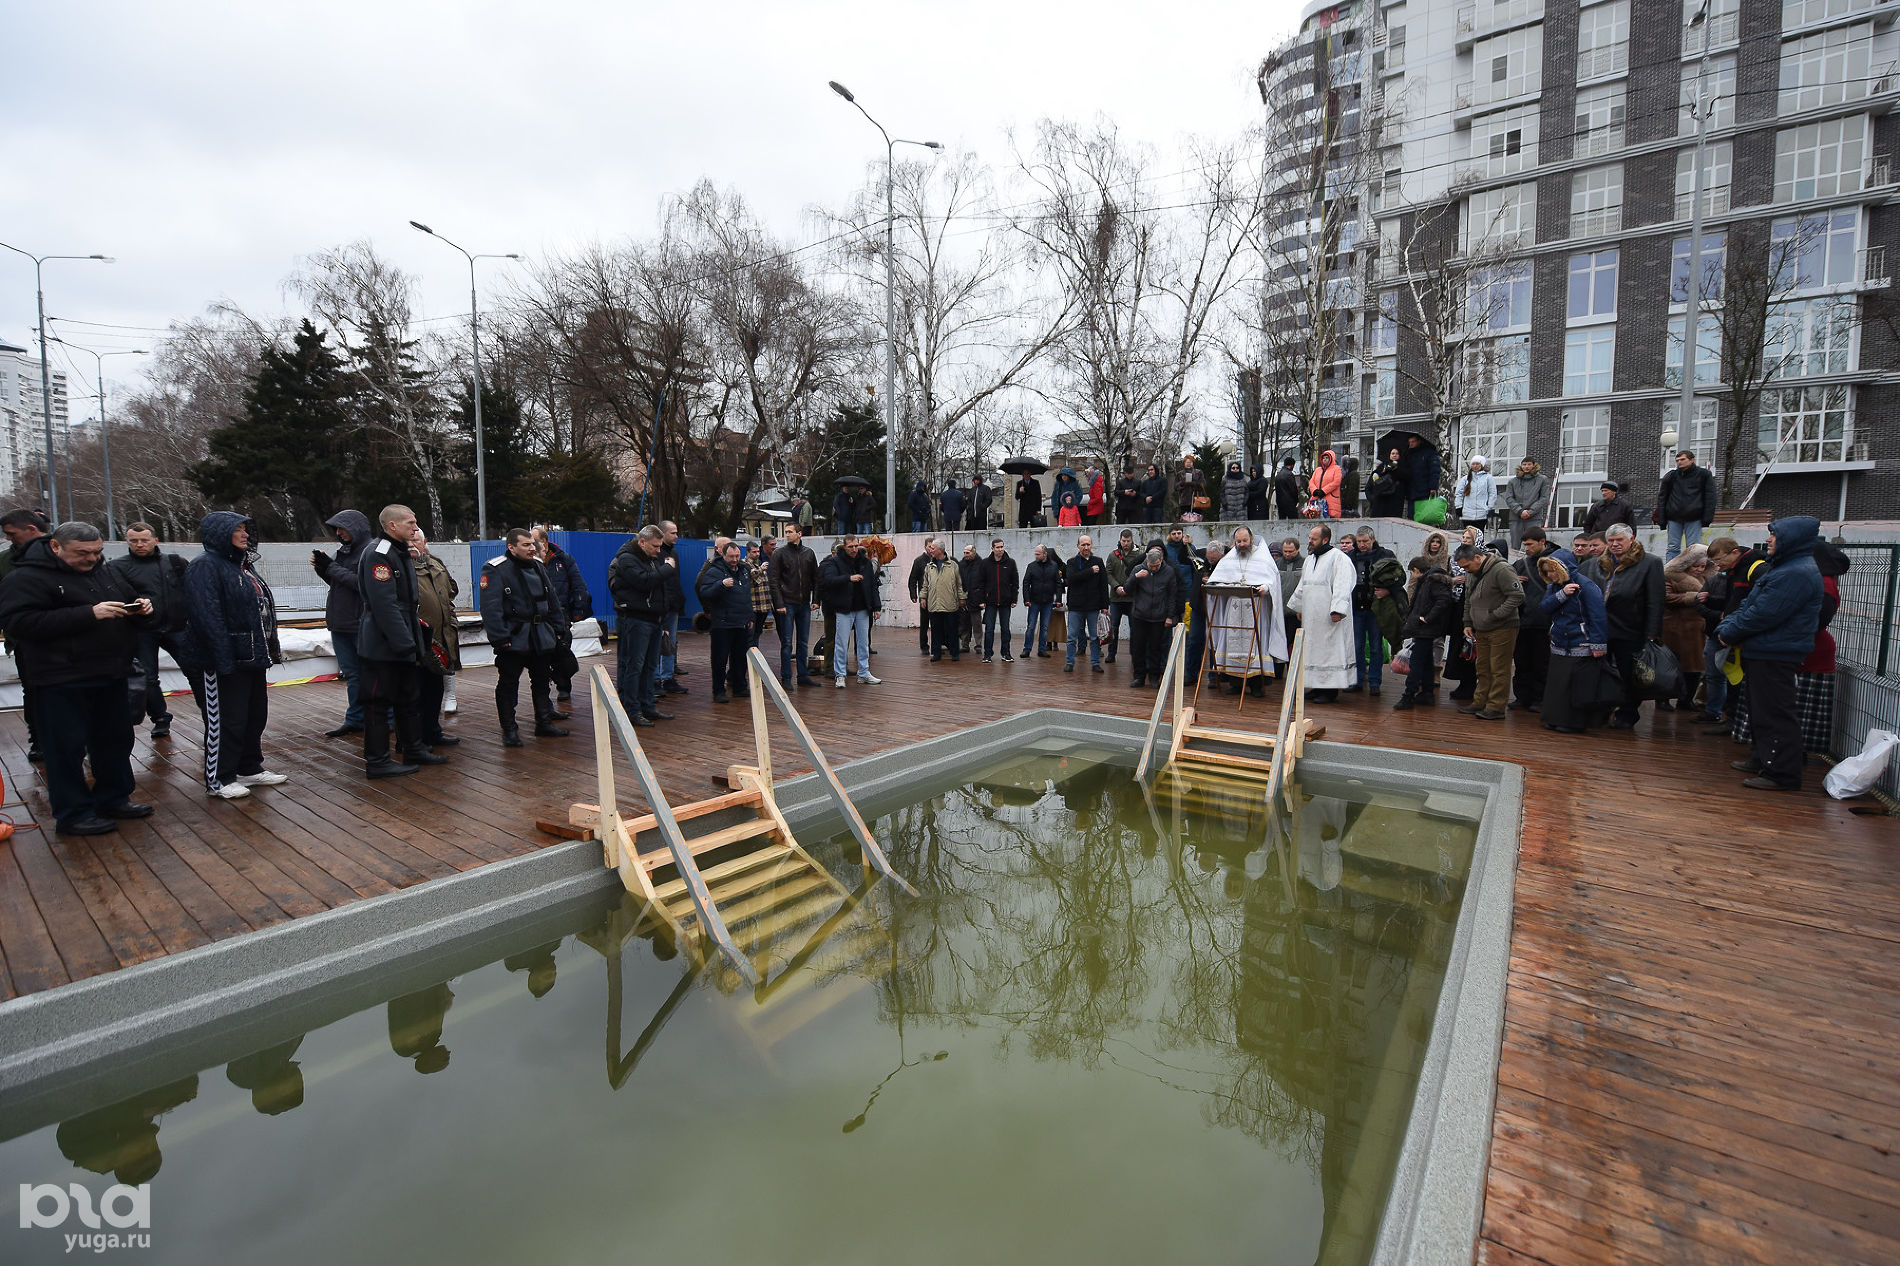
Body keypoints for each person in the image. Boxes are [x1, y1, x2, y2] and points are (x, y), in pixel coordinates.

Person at [0, 522, 154, 834]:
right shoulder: (25, 578)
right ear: (55, 547)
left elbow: (128, 597)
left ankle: (114, 797)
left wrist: (143, 607)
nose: (92, 559)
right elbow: (19, 623)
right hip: (60, 677)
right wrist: (88, 614)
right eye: (82, 553)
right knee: (65, 748)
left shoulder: (104, 570)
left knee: (114, 739)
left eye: (97, 552)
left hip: (109, 672)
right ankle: (73, 813)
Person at [183, 511, 288, 799]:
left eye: (246, 529)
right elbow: (207, 616)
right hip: (221, 660)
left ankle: (249, 767)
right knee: (226, 719)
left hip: (251, 657)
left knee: (254, 716)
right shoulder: (205, 567)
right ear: (220, 534)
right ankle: (220, 778)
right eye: (237, 530)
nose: (245, 535)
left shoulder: (241, 567)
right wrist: (223, 658)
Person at [1717, 517, 1825, 791]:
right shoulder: (1785, 569)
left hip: (1776, 653)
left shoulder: (1795, 573)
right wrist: (1728, 625)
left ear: (1790, 539)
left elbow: (1763, 614)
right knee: (1761, 711)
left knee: (1775, 712)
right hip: (1764, 650)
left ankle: (1781, 773)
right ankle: (1764, 759)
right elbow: (1750, 605)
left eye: (1774, 536)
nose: (1768, 541)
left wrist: (1728, 631)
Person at [358, 505, 449, 775]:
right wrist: (404, 645)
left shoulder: (400, 551)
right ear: (392, 526)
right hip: (382, 645)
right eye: (409, 522)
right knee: (377, 703)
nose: (415, 527)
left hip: (403, 639)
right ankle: (377, 762)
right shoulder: (379, 554)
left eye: (415, 522)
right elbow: (385, 606)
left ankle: (414, 748)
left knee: (408, 698)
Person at [480, 527, 570, 746]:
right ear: (511, 547)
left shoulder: (539, 566)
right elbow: (491, 608)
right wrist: (500, 639)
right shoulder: (495, 569)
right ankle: (509, 730)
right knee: (508, 684)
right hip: (513, 637)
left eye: (533, 544)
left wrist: (560, 629)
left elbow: (552, 601)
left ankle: (544, 722)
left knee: (541, 681)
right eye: (526, 545)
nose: (532, 548)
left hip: (540, 635)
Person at [109, 521, 199, 738]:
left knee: (196, 671)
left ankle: (210, 712)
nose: (139, 544)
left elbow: (193, 591)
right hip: (141, 630)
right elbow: (115, 596)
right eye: (134, 541)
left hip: (178, 627)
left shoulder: (175, 562)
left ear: (155, 540)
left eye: (144, 540)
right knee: (147, 678)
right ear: (127, 542)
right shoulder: (117, 567)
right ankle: (159, 717)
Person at [1582, 524, 1664, 730]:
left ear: (1632, 540)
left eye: (1619, 540)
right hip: (1601, 629)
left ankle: (1628, 712)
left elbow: (1655, 600)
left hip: (1631, 629)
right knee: (1600, 673)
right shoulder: (1598, 563)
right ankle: (1602, 708)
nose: (1615, 544)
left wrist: (1652, 632)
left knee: (1629, 674)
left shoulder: (1650, 563)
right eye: (1611, 541)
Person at [1204, 526, 1289, 697]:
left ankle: (1256, 686)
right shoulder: (1229, 559)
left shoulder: (1263, 558)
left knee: (1256, 645)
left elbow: (1272, 582)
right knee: (1234, 644)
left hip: (1256, 607)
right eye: (1238, 541)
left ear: (1251, 539)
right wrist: (1222, 585)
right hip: (1234, 607)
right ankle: (1236, 684)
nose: (1242, 544)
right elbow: (1216, 580)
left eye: (1245, 541)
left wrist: (1265, 587)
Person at [312, 509, 374, 739]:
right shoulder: (345, 552)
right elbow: (340, 582)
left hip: (360, 624)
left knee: (371, 674)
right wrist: (324, 570)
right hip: (341, 623)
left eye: (342, 528)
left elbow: (362, 584)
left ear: (355, 527)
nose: (338, 533)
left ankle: (382, 719)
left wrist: (331, 567)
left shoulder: (371, 550)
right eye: (336, 529)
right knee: (352, 675)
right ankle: (355, 719)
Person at [608, 525, 673, 726]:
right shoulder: (627, 559)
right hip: (635, 619)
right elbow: (644, 582)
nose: (658, 550)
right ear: (642, 542)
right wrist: (667, 569)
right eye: (655, 546)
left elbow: (657, 589)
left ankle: (647, 706)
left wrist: (662, 618)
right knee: (634, 666)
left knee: (649, 666)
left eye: (660, 546)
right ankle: (632, 709)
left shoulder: (650, 558)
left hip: (652, 618)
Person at [0, 508, 51, 761]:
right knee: (33, 691)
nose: (9, 539)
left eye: (12, 534)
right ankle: (38, 740)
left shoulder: (62, 553)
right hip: (24, 641)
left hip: (64, 638)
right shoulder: (5, 561)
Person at [1537, 558, 1610, 734]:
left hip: (1581, 642)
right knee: (1558, 685)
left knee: (1576, 686)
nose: (1550, 575)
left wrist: (1598, 644)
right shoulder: (1554, 587)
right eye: (1547, 572)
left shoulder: (1587, 586)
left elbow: (1597, 616)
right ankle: (1554, 718)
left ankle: (1574, 722)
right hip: (1560, 641)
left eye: (1552, 571)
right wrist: (1562, 594)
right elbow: (1544, 607)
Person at [1456, 542, 1523, 721]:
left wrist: (1495, 615)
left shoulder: (1502, 569)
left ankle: (1496, 706)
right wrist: (1467, 622)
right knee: (1482, 667)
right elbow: (1468, 598)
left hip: (1503, 627)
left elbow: (1517, 595)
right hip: (1481, 627)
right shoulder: (1471, 573)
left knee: (1499, 668)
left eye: (1467, 566)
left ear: (1477, 557)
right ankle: (1480, 701)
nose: (1466, 570)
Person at [1289, 525, 1356, 702]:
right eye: (1310, 537)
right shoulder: (1310, 560)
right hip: (1311, 616)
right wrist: (1299, 607)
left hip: (1329, 615)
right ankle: (1317, 686)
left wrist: (1337, 610)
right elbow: (1304, 585)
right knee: (1312, 649)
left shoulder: (1339, 559)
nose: (1309, 541)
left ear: (1325, 540)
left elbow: (1343, 586)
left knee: (1329, 652)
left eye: (1314, 539)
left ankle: (1330, 691)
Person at [411, 528, 464, 748]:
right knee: (415, 694)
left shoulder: (436, 564)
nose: (412, 544)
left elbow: (451, 591)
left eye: (416, 540)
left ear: (425, 542)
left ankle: (433, 732)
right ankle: (414, 740)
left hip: (440, 639)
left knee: (435, 691)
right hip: (416, 641)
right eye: (409, 540)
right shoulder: (401, 567)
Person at [531, 527, 590, 703]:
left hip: (561, 613)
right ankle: (545, 692)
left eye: (534, 540)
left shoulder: (563, 560)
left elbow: (578, 584)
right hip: (538, 616)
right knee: (541, 655)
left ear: (544, 541)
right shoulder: (528, 563)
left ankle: (564, 686)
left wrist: (579, 609)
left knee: (562, 650)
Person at [1392, 557, 1457, 710]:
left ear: (1415, 570)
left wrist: (1427, 618)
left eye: (1411, 572)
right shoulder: (1431, 580)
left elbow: (1443, 601)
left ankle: (1408, 696)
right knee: (1427, 661)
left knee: (1416, 663)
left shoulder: (1432, 581)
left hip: (1426, 628)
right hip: (1425, 628)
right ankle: (1427, 693)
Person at [695, 539, 754, 703]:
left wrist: (750, 617)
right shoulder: (715, 571)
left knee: (740, 658)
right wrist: (721, 585)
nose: (734, 560)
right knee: (720, 659)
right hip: (722, 623)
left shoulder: (743, 570)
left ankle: (740, 687)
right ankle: (719, 690)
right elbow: (704, 591)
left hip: (741, 621)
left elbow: (746, 597)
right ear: (723, 555)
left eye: (737, 556)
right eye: (731, 557)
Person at [818, 535, 882, 686]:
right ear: (844, 548)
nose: (854, 549)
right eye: (850, 547)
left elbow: (872, 585)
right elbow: (828, 580)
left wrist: (877, 607)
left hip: (862, 608)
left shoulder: (865, 562)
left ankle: (864, 672)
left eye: (855, 546)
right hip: (844, 607)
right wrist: (848, 578)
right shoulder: (835, 562)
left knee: (863, 642)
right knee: (841, 642)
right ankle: (840, 674)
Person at [1348, 526, 1399, 697]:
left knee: (1376, 646)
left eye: (1365, 541)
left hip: (1377, 608)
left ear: (1373, 539)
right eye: (1359, 541)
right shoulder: (1350, 557)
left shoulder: (1385, 555)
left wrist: (1389, 590)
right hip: (1356, 606)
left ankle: (1375, 682)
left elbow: (1399, 576)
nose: (1362, 545)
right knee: (1357, 646)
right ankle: (1358, 678)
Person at [1661, 544, 1711, 713]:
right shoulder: (1670, 575)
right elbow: (1666, 597)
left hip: (1696, 628)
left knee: (1694, 667)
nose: (1698, 569)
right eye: (1695, 566)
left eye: (1702, 566)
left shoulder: (1707, 578)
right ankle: (1663, 699)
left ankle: (1686, 699)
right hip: (1674, 627)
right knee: (1670, 665)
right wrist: (1691, 598)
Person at [1509, 528, 1554, 711]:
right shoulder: (1521, 564)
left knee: (1541, 663)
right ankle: (1522, 696)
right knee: (1521, 661)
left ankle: (1540, 698)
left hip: (1543, 621)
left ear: (1542, 542)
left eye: (1530, 544)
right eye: (1525, 544)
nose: (1526, 548)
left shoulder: (1553, 562)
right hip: (1522, 620)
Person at [1126, 546, 1182, 688]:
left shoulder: (1169, 572)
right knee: (1138, 648)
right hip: (1140, 615)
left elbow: (1172, 595)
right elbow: (1126, 589)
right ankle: (1139, 676)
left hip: (1158, 616)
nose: (1154, 569)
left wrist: (1170, 616)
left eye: (1156, 566)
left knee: (1155, 648)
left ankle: (1154, 677)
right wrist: (1136, 577)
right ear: (1146, 560)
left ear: (1161, 561)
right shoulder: (1138, 569)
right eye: (1151, 566)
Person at [770, 522, 819, 687]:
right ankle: (786, 678)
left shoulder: (809, 553)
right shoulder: (779, 553)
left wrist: (816, 600)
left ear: (799, 534)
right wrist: (779, 603)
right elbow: (774, 581)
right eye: (786, 532)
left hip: (804, 603)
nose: (787, 534)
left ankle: (803, 676)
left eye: (790, 532)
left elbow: (816, 579)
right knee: (787, 643)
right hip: (787, 604)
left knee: (803, 642)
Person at [1658, 450, 1718, 561]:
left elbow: (1710, 497)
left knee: (1693, 548)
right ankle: (1671, 572)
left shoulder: (1704, 474)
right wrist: (1662, 519)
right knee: (1672, 547)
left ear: (1692, 460)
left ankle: (1692, 572)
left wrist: (1707, 518)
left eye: (1682, 459)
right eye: (1677, 460)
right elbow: (1662, 497)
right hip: (1674, 517)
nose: (1679, 462)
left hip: (1694, 517)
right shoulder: (1671, 476)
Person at [1062, 535, 1110, 673]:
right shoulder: (1072, 562)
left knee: (1095, 637)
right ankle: (1069, 662)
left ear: (1092, 545)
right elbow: (1071, 578)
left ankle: (1095, 663)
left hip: (1093, 606)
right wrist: (1090, 571)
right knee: (1072, 637)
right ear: (1078, 546)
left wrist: (1104, 605)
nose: (1086, 547)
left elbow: (1103, 584)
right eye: (1083, 545)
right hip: (1076, 606)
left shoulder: (1098, 561)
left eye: (1088, 544)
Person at [653, 521, 689, 696]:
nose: (676, 536)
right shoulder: (656, 554)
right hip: (660, 605)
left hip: (673, 603)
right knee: (658, 642)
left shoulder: (673, 552)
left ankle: (667, 677)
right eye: (673, 533)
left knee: (670, 642)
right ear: (663, 533)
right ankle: (654, 679)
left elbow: (674, 580)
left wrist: (679, 600)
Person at [972, 538, 1019, 663]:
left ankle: (1006, 653)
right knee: (989, 629)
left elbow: (1015, 583)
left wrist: (1014, 599)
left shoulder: (1011, 563)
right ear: (992, 549)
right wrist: (981, 600)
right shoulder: (985, 563)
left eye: (1002, 547)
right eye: (997, 547)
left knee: (1005, 629)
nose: (1000, 549)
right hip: (990, 602)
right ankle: (987, 654)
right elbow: (980, 583)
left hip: (1006, 602)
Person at [919, 539, 965, 662]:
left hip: (950, 603)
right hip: (934, 603)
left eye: (933, 548)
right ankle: (936, 653)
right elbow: (925, 585)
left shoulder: (953, 565)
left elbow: (959, 584)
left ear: (940, 550)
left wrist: (961, 598)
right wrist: (923, 597)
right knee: (935, 630)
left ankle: (954, 653)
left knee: (952, 630)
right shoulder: (929, 567)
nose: (930, 550)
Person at [1104, 528, 1143, 664]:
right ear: (1120, 540)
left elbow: (1142, 572)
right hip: (1116, 598)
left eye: (1128, 541)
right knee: (1113, 627)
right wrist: (1116, 586)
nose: (1126, 543)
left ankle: (1134, 654)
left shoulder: (1139, 554)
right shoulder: (1113, 555)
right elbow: (1107, 573)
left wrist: (1128, 587)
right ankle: (1111, 653)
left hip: (1132, 597)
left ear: (1132, 540)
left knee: (1135, 628)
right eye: (1123, 541)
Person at [1499, 458, 1551, 553]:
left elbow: (1544, 498)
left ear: (1534, 465)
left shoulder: (1542, 480)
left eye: (1529, 464)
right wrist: (1520, 511)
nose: (1526, 467)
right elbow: (1509, 498)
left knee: (1534, 543)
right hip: (1516, 517)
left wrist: (1530, 511)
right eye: (1524, 464)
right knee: (1515, 546)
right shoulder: (1512, 481)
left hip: (1534, 517)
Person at [1020, 543, 1062, 658]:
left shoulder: (1054, 566)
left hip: (1048, 601)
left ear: (1045, 554)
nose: (1036, 556)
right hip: (1034, 601)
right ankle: (1027, 649)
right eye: (1035, 554)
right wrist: (1026, 599)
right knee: (1031, 626)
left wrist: (1058, 599)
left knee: (1045, 627)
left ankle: (1042, 649)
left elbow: (1059, 583)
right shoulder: (1031, 566)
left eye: (1038, 554)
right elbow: (1025, 583)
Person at [1397, 434, 1442, 520]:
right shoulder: (1407, 454)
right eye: (1409, 442)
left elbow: (1434, 470)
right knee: (1411, 517)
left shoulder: (1429, 452)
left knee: (1423, 516)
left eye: (1413, 442)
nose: (1411, 444)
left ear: (1419, 441)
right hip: (1411, 491)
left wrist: (1433, 486)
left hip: (1424, 490)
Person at [746, 536, 778, 651]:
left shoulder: (758, 563)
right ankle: (749, 657)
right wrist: (761, 568)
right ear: (748, 552)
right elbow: (752, 574)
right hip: (754, 606)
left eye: (758, 551)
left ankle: (755, 655)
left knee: (758, 632)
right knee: (750, 634)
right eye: (754, 552)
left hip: (764, 606)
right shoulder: (745, 564)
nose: (757, 554)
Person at [1453, 454, 1496, 533]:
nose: (1475, 466)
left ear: (1482, 465)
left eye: (1477, 464)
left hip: (1482, 514)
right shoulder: (1465, 479)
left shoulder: (1488, 478)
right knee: (1468, 536)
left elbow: (1492, 493)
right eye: (1473, 464)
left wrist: (1489, 507)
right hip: (1467, 514)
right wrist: (1458, 507)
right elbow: (1459, 494)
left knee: (1479, 536)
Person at [957, 543, 983, 654]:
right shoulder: (961, 564)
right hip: (964, 598)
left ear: (974, 552)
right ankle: (965, 644)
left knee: (976, 623)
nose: (965, 555)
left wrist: (982, 599)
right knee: (964, 623)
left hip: (976, 598)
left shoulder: (981, 564)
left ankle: (978, 645)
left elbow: (983, 583)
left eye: (967, 553)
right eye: (964, 553)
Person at [1365, 450, 1406, 518]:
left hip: (1394, 509)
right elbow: (1368, 488)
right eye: (1393, 453)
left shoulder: (1402, 472)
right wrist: (1373, 499)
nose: (1394, 455)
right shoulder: (1378, 471)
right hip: (1378, 508)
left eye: (1397, 453)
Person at [1307, 449, 1343, 519]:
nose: (1325, 459)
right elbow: (1311, 481)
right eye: (1323, 458)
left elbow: (1336, 482)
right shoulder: (1317, 470)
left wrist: (1324, 491)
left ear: (1331, 459)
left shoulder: (1336, 469)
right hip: (1316, 499)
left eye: (1327, 458)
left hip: (1331, 500)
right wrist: (1314, 491)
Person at [1175, 456, 1208, 521]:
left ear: (1193, 463)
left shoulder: (1198, 472)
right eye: (1187, 462)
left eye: (1190, 462)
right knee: (1185, 519)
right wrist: (1182, 483)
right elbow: (1176, 487)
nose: (1188, 464)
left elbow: (1203, 485)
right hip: (1184, 501)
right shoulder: (1180, 474)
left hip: (1196, 500)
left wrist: (1194, 483)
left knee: (1197, 519)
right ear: (1184, 463)